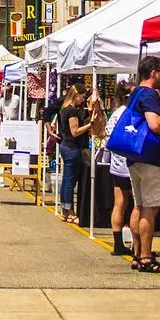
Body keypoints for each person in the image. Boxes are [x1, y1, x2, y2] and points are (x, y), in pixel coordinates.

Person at [119, 55, 160, 272]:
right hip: (151, 158)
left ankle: (137, 254)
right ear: (154, 72)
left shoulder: (135, 93)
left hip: (135, 158)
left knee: (139, 205)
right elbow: (155, 125)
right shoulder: (148, 95)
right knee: (150, 208)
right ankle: (146, 256)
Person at [56, 84, 102, 223]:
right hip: (72, 148)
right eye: (82, 97)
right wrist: (90, 124)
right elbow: (75, 131)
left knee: (66, 180)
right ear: (76, 96)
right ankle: (69, 211)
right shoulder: (71, 111)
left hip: (66, 146)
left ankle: (65, 209)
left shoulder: (64, 109)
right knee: (70, 180)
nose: (83, 100)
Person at [103, 82, 140, 256]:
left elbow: (108, 138)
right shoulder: (135, 113)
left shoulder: (115, 114)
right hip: (131, 165)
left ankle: (118, 244)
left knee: (121, 203)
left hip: (118, 165)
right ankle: (138, 246)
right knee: (138, 205)